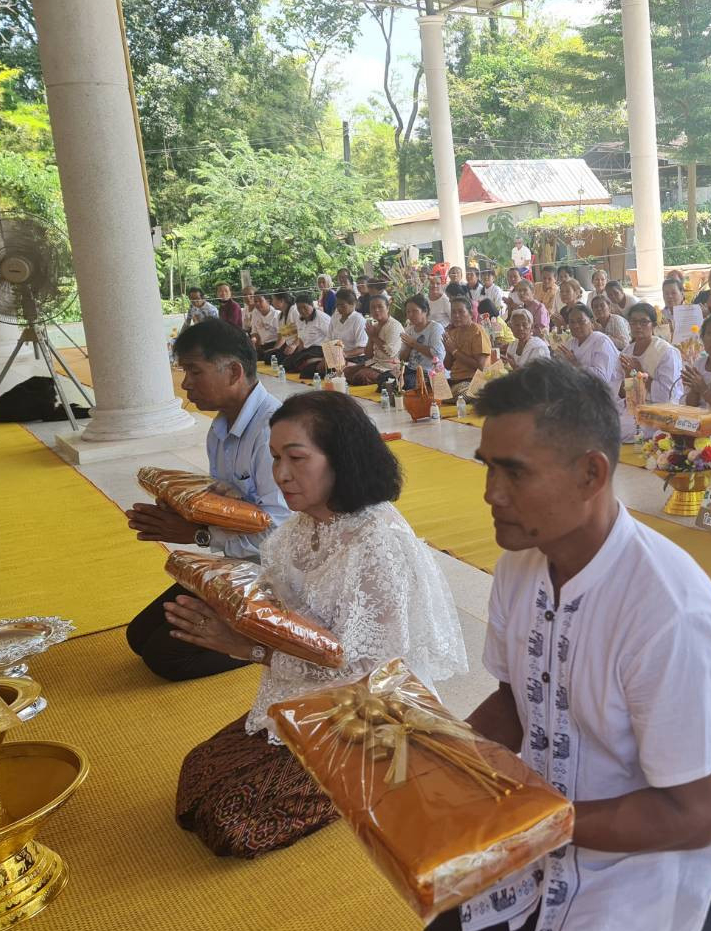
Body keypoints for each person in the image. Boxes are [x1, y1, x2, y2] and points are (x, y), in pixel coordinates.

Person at [406, 361, 711, 931]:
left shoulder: (670, 615)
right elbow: (515, 702)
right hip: (543, 842)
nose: (490, 493)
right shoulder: (522, 563)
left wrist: (527, 823)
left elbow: (693, 817)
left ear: (591, 473)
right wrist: (437, 763)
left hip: (656, 870)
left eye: (513, 472)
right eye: (488, 466)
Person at [174, 392, 467, 858]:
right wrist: (227, 606)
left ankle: (382, 775)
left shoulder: (378, 543)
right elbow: (276, 609)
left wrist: (248, 648)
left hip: (366, 713)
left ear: (340, 459)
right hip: (304, 693)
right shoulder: (298, 527)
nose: (282, 474)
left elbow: (370, 671)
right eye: (275, 458)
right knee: (198, 775)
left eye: (297, 457)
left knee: (230, 822)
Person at [125, 320, 291, 681]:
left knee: (166, 658)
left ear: (233, 371)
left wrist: (198, 534)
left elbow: (281, 533)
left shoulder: (273, 432)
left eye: (194, 371)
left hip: (279, 575)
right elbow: (228, 505)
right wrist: (183, 508)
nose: (185, 383)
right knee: (137, 637)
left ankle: (267, 647)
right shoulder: (219, 431)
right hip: (239, 564)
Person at [620, 302, 684, 437]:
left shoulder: (666, 352)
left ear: (653, 325)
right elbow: (623, 394)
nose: (638, 326)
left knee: (620, 430)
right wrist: (628, 378)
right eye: (633, 322)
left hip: (660, 412)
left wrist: (640, 372)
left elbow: (667, 396)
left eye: (643, 322)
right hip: (635, 407)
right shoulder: (627, 351)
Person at [297, 287, 366, 378]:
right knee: (308, 371)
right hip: (335, 357)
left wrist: (345, 354)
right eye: (337, 305)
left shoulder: (358, 320)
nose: (339, 308)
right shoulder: (336, 316)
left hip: (353, 358)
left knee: (334, 374)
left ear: (353, 304)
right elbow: (328, 340)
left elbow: (362, 348)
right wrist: (326, 358)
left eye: (342, 305)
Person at [553, 302, 619, 387]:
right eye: (572, 322)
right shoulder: (571, 343)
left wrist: (575, 364)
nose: (576, 326)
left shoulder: (601, 341)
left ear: (591, 321)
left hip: (603, 394)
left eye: (581, 321)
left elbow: (602, 378)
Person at [345, 294, 404, 387]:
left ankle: (384, 382)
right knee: (347, 372)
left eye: (380, 307)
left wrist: (374, 337)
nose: (376, 310)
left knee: (361, 376)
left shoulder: (394, 326)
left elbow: (390, 352)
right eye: (373, 307)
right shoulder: (375, 326)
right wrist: (371, 337)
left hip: (389, 367)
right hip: (375, 363)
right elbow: (368, 355)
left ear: (388, 308)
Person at [443, 296, 493, 394]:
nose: (456, 316)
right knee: (433, 392)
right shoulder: (453, 333)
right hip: (455, 380)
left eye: (461, 312)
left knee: (459, 394)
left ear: (470, 313)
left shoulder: (477, 331)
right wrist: (448, 349)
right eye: (453, 312)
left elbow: (481, 367)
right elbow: (448, 366)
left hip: (474, 381)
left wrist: (454, 350)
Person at [398, 294, 445, 390]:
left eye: (415, 311)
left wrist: (413, 344)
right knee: (388, 379)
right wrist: (408, 347)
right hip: (411, 370)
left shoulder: (435, 328)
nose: (410, 315)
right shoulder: (409, 330)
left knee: (407, 383)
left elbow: (437, 354)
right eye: (408, 312)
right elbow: (402, 359)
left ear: (425, 311)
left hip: (429, 372)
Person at [284, 293, 331, 372]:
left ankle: (318, 360)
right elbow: (301, 338)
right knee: (286, 364)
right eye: (299, 308)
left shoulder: (322, 318)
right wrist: (296, 350)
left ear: (312, 305)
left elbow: (332, 337)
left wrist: (326, 357)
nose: (302, 310)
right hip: (307, 349)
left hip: (320, 349)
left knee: (301, 364)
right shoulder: (299, 318)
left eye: (305, 307)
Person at [658, 276, 704, 343]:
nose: (669, 296)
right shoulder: (660, 316)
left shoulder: (693, 312)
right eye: (666, 293)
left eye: (673, 293)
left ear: (682, 294)